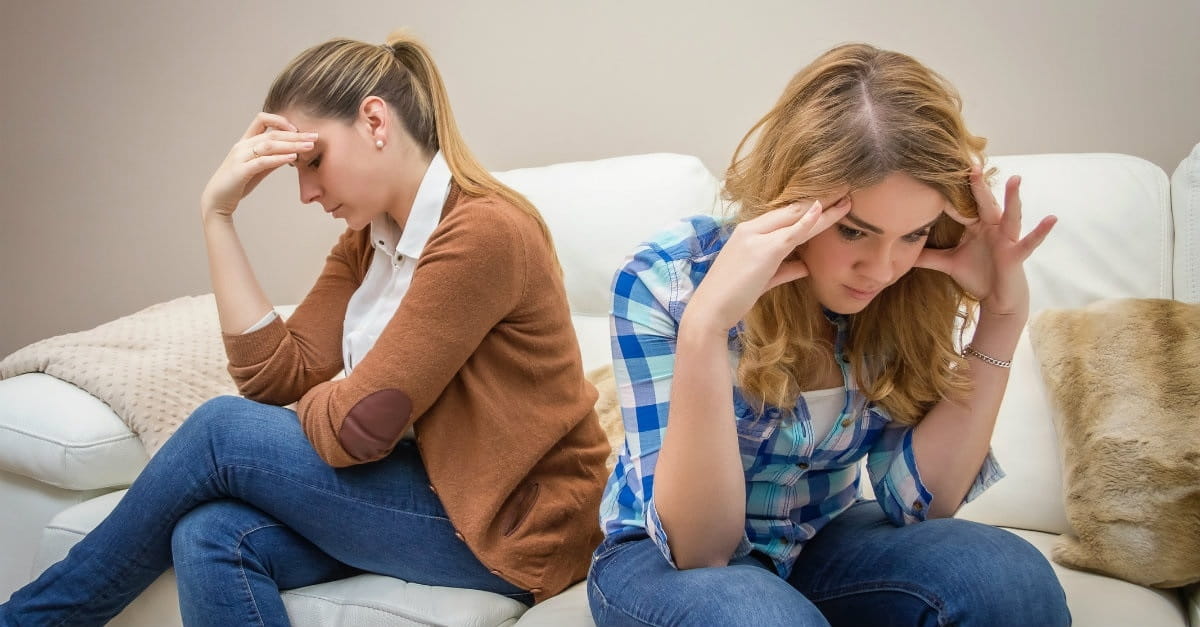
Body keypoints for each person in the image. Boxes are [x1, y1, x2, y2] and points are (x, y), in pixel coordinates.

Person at [1, 33, 609, 625]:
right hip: (428, 493)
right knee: (209, 533)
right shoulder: (367, 243)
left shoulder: (483, 231)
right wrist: (218, 216)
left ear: (375, 121)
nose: (306, 192)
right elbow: (274, 378)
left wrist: (332, 402)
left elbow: (360, 425)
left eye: (314, 162)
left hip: (518, 523)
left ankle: (30, 618)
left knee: (219, 428)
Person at [587, 43, 1071, 626]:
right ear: (795, 197)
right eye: (854, 231)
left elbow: (920, 501)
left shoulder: (908, 283)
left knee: (1008, 581)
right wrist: (706, 329)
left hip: (821, 537)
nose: (882, 268)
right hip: (664, 561)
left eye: (912, 234)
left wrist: (1002, 316)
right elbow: (700, 549)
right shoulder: (665, 279)